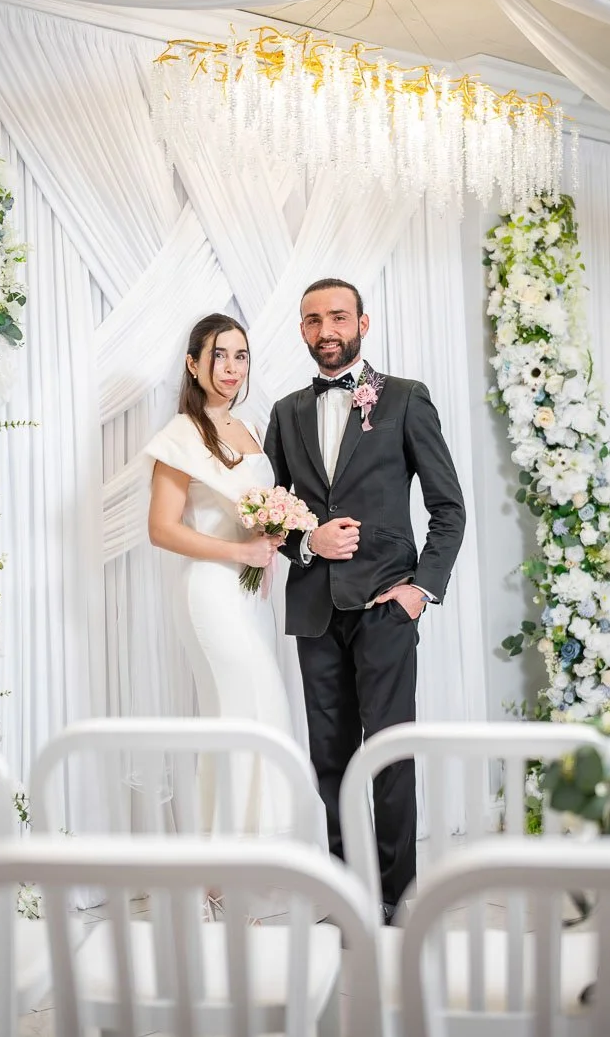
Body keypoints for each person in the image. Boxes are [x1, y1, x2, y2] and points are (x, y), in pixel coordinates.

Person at [262, 278, 466, 925]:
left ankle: (398, 897)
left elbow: (448, 508)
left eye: (339, 317)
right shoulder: (286, 411)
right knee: (330, 757)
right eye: (314, 319)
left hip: (385, 605)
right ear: (301, 330)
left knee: (389, 753)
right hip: (315, 609)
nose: (327, 329)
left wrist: (419, 590)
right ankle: (347, 894)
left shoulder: (406, 398)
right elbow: (269, 514)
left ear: (363, 322)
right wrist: (307, 541)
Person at [144, 313, 296, 844]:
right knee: (248, 711)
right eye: (218, 355)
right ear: (193, 363)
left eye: (240, 355)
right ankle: (226, 874)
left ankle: (232, 868)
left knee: (247, 719)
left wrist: (270, 534)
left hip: (251, 596)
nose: (231, 367)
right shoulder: (181, 434)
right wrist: (240, 548)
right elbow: (161, 529)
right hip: (210, 590)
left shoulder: (248, 427)